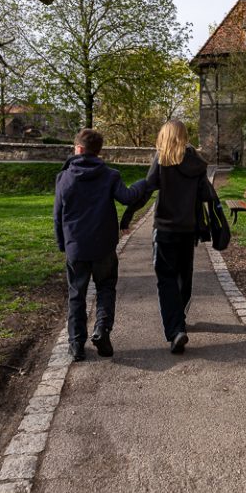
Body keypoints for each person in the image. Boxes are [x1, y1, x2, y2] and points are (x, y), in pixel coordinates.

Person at [54, 129, 146, 361]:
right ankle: (102, 329)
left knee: (77, 294)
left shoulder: (64, 177)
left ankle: (76, 345)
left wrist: (62, 243)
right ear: (99, 151)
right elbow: (127, 197)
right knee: (105, 288)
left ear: (79, 149)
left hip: (76, 246)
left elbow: (58, 214)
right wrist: (145, 182)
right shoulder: (110, 175)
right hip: (104, 246)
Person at [121, 120, 211, 354]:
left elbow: (146, 189)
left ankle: (175, 329)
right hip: (188, 229)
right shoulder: (197, 163)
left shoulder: (162, 160)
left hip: (165, 229)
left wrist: (128, 215)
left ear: (165, 136)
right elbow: (204, 194)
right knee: (184, 276)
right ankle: (178, 320)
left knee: (166, 279)